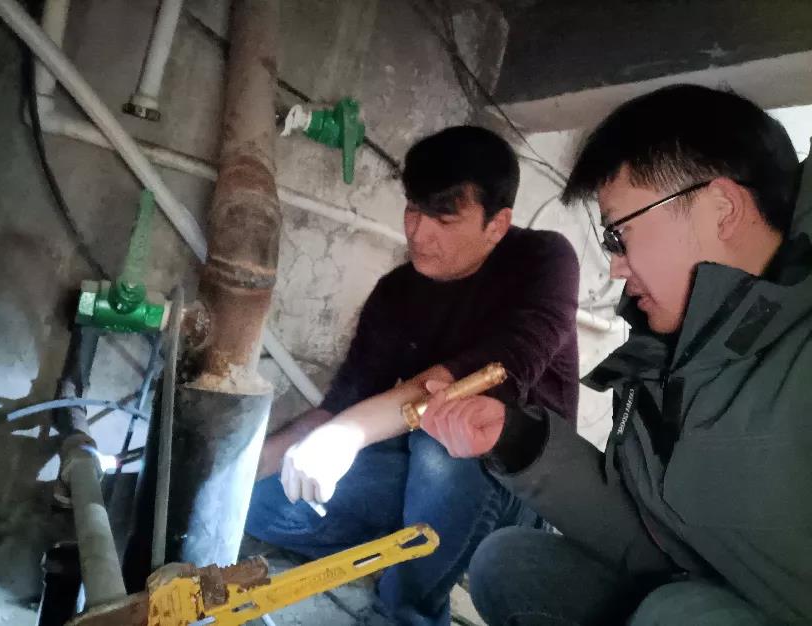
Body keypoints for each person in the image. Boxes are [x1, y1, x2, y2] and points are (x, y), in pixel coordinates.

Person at [419, 84, 811, 626]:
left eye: (620, 233)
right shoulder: (663, 353)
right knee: (509, 562)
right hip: (700, 593)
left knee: (675, 614)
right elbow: (654, 544)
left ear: (721, 210)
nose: (615, 267)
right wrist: (517, 439)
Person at [245, 125, 581, 625]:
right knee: (262, 505)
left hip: (517, 488)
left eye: (444, 218)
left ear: (496, 224)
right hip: (419, 479)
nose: (418, 233)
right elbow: (338, 408)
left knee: (444, 434)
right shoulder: (396, 293)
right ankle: (425, 544)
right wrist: (240, 472)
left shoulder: (544, 260)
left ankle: (406, 611)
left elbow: (480, 379)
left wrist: (346, 434)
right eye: (413, 209)